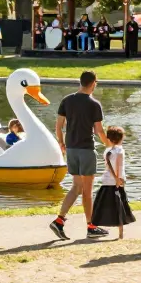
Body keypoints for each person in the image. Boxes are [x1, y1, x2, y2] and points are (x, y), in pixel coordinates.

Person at [49, 70, 110, 240]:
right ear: (93, 83)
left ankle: (59, 221)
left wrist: (62, 143)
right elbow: (99, 131)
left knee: (77, 187)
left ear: (81, 82)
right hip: (86, 150)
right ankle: (91, 226)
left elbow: (59, 126)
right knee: (87, 191)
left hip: (72, 150)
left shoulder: (66, 100)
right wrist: (109, 145)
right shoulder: (94, 104)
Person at [90, 126, 133, 239]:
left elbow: (109, 166)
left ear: (109, 138)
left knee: (103, 205)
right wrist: (118, 179)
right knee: (119, 207)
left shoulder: (107, 151)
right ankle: (120, 233)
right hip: (116, 182)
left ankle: (94, 224)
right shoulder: (120, 151)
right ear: (121, 138)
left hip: (106, 182)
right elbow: (119, 166)